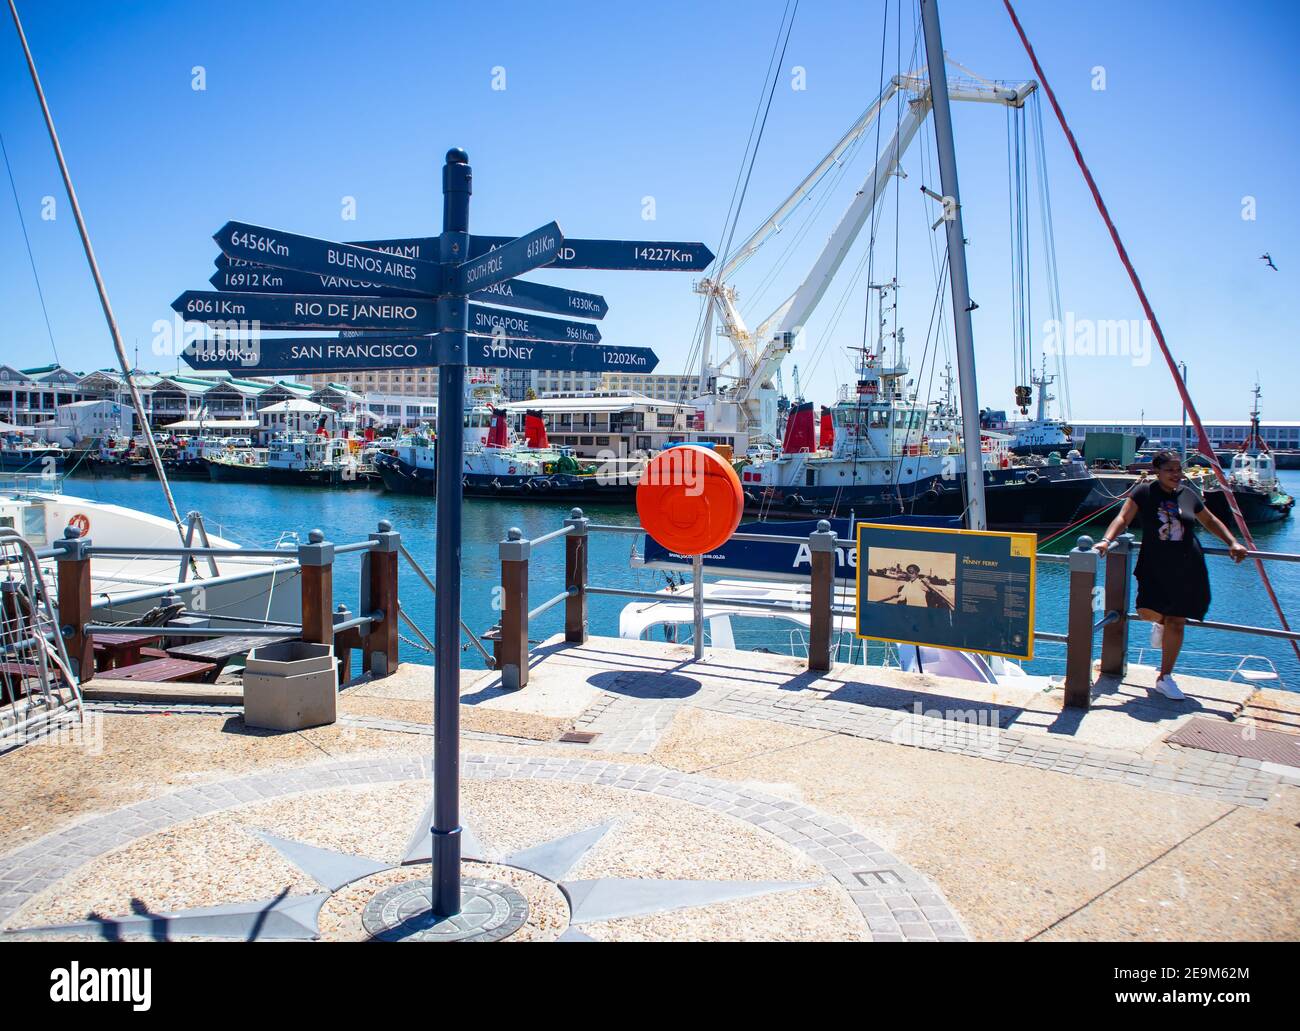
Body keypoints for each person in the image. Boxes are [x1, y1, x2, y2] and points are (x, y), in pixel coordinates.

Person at [1095, 450, 1247, 699]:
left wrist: (1232, 542)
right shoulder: (1144, 492)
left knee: (1178, 620)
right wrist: (1105, 541)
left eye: (1179, 470)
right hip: (1155, 564)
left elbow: (1210, 521)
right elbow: (1123, 518)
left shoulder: (1188, 495)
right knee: (1146, 611)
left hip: (1187, 564)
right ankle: (1160, 623)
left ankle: (1165, 677)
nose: (1176, 475)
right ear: (1158, 471)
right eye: (1170, 470)